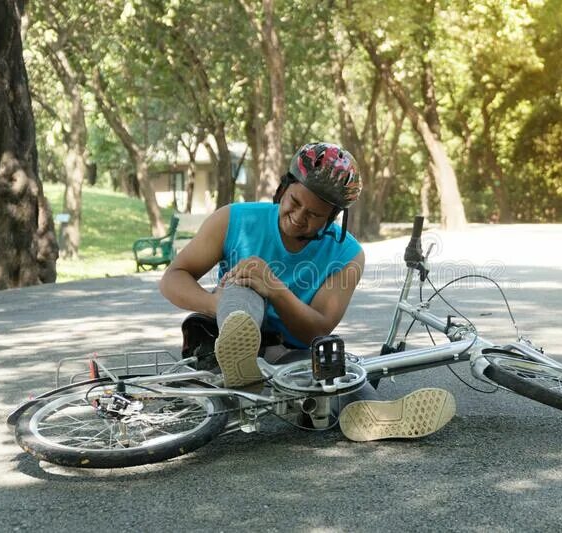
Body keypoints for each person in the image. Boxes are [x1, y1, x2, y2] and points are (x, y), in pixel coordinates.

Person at [159, 142, 455, 442]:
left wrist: (276, 290)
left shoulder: (348, 254)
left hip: (290, 351)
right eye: (294, 202)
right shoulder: (235, 219)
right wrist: (213, 303)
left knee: (337, 368)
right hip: (223, 334)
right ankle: (241, 354)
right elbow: (173, 277)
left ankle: (376, 414)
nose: (300, 217)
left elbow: (316, 330)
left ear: (333, 217)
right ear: (282, 189)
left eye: (315, 214)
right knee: (246, 278)